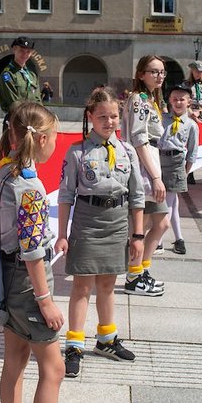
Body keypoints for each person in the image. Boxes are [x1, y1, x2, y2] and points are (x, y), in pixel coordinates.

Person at [0, 102, 92, 403]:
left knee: (15, 360)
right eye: (55, 137)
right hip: (28, 284)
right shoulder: (29, 185)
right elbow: (32, 251)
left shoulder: (0, 176)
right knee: (54, 368)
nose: (56, 143)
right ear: (41, 139)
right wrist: (45, 299)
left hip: (8, 280)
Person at [58, 87, 145, 379]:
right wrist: (62, 234)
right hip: (87, 219)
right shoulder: (77, 152)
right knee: (82, 286)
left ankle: (107, 339)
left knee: (108, 283)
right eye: (102, 117)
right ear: (90, 117)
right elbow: (66, 195)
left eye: (114, 116)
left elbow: (137, 196)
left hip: (117, 221)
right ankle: (74, 344)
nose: (109, 122)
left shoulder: (128, 151)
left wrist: (139, 236)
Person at [120, 55, 169, 295]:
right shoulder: (139, 100)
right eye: (154, 71)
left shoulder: (150, 99)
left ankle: (140, 270)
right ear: (141, 74)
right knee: (144, 223)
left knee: (159, 222)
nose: (160, 76)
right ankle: (134, 275)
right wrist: (155, 177)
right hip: (143, 166)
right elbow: (139, 138)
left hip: (150, 162)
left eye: (162, 72)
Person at [159, 82, 198, 254]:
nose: (178, 102)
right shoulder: (162, 118)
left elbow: (192, 151)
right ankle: (178, 239)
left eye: (182, 99)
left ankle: (158, 240)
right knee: (171, 203)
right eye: (174, 99)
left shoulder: (191, 125)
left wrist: (186, 171)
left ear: (189, 102)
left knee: (167, 202)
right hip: (159, 161)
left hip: (176, 164)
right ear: (169, 100)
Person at [0, 36, 41, 131]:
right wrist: (28, 122)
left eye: (28, 52)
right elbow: (14, 104)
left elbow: (38, 100)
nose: (25, 54)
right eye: (21, 50)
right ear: (14, 49)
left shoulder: (32, 74)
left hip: (33, 123)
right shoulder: (8, 75)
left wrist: (42, 118)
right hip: (16, 124)